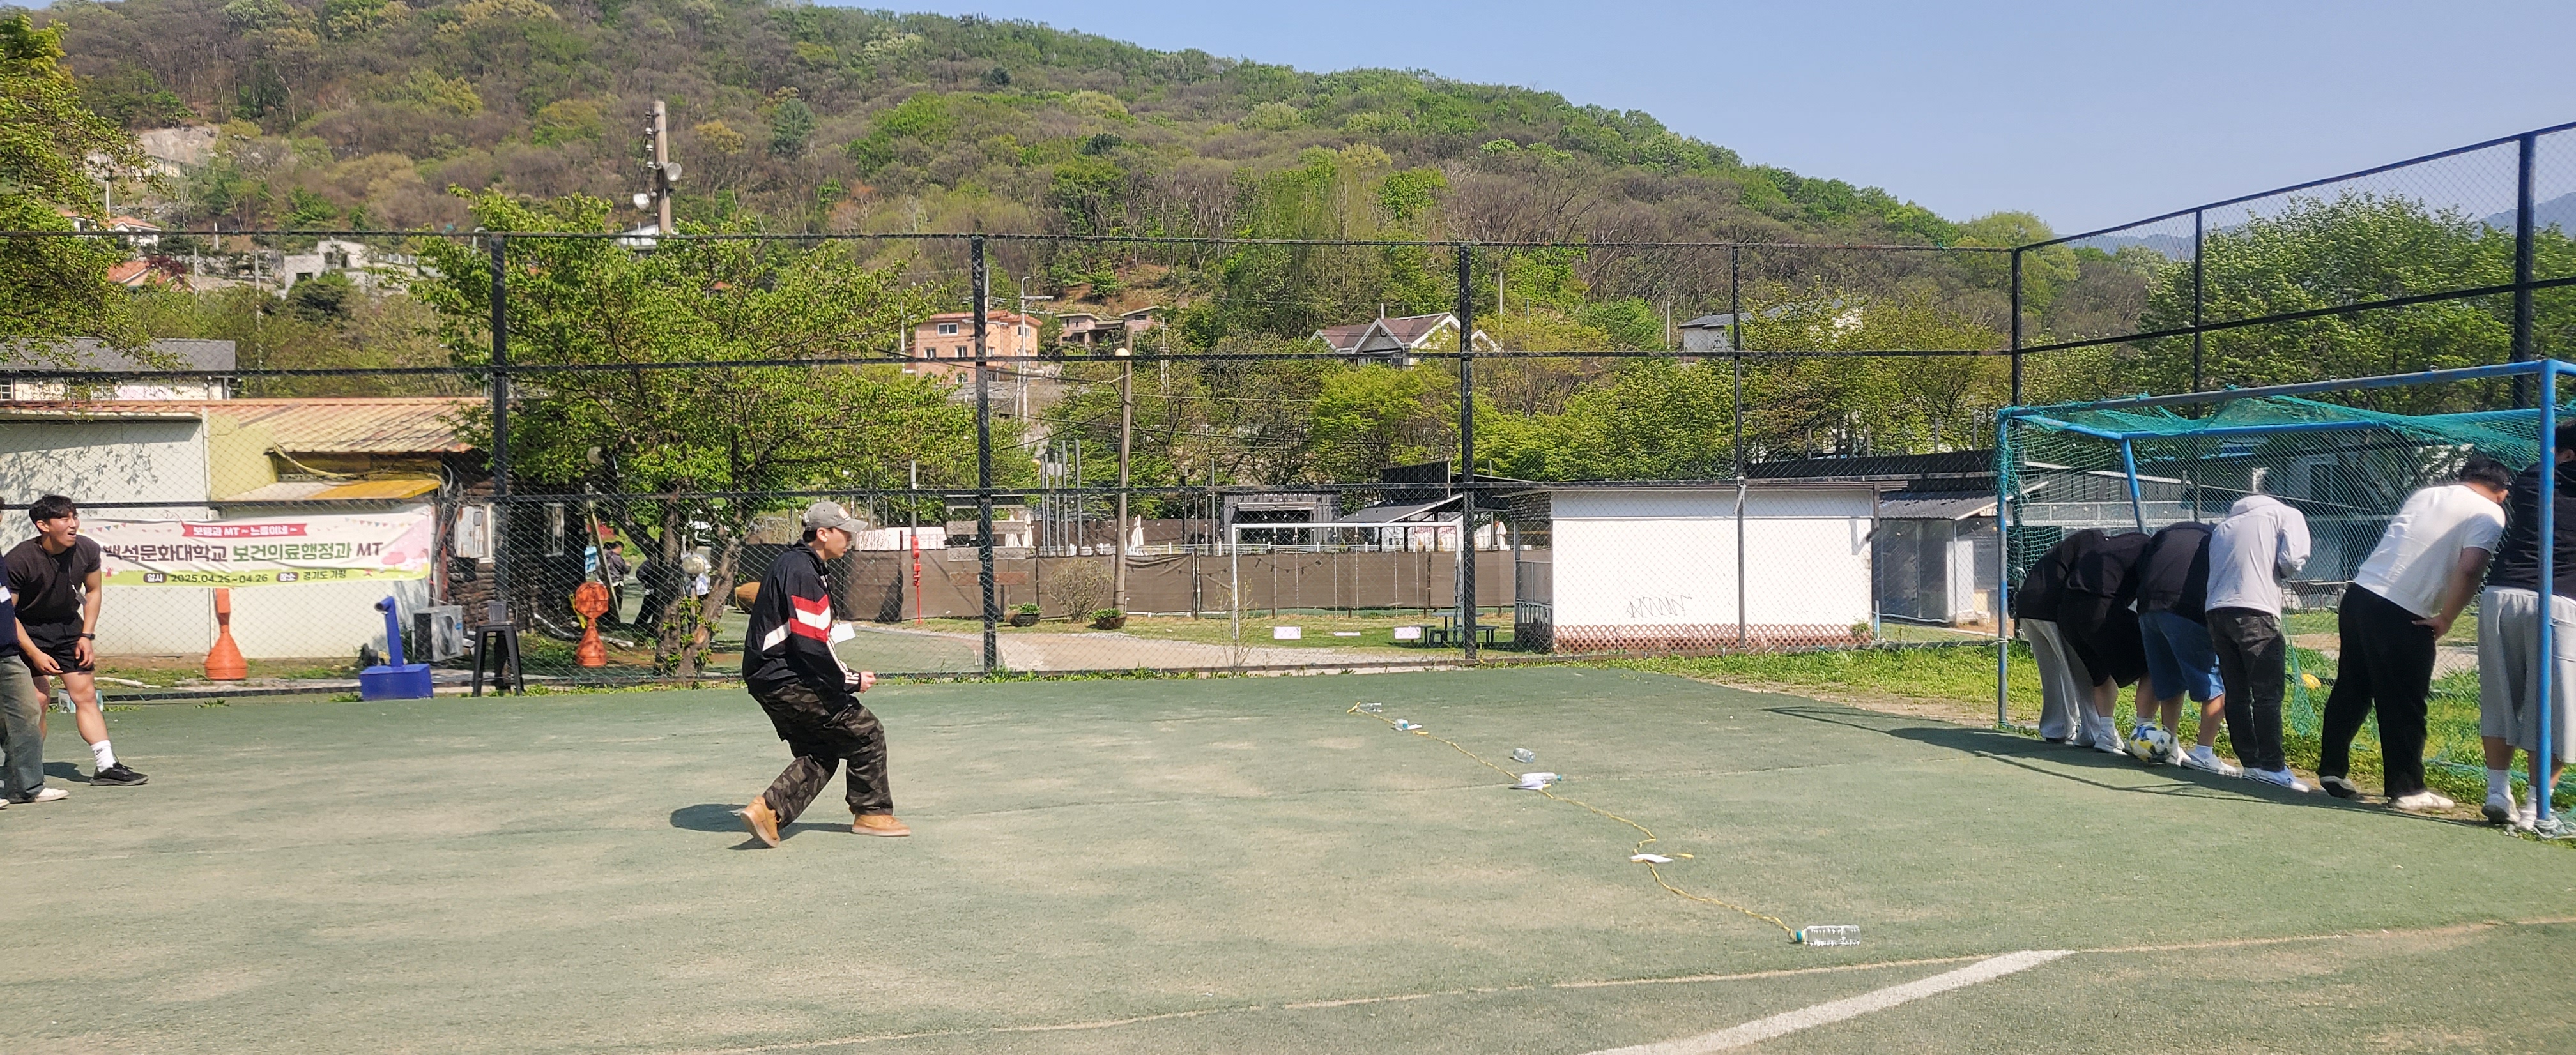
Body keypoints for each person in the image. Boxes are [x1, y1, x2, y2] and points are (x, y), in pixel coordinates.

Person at [2320, 456, 2510, 811]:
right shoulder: (2489, 511)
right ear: (2502, 492)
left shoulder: (2426, 495)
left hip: (2360, 593)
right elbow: (2471, 568)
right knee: (2405, 701)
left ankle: (2332, 768)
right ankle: (2407, 789)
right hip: (2404, 609)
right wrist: (2447, 618)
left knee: (2352, 685)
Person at [736, 501, 903, 847]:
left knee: (823, 748)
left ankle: (768, 811)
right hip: (785, 678)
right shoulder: (803, 569)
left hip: (771, 677)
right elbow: (810, 643)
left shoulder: (795, 564)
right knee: (867, 732)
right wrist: (849, 679)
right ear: (822, 534)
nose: (851, 539)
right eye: (845, 533)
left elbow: (807, 640)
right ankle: (872, 814)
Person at [4, 496, 144, 786]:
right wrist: (34, 653)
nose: (73, 525)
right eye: (64, 519)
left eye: (75, 517)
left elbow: (92, 592)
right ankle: (24, 771)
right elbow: (8, 613)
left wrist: (87, 636)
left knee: (85, 695)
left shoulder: (88, 549)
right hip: (27, 631)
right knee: (38, 701)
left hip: (69, 629)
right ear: (43, 525)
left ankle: (106, 766)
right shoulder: (19, 559)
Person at [2478, 432, 2576, 830]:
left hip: (2503, 594)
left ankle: (2498, 791)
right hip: (2560, 600)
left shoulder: (2535, 477)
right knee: (2553, 708)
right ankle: (2537, 807)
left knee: (2500, 698)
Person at [2205, 489, 2312, 791]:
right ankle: (2273, 766)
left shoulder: (2223, 526)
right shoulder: (2285, 514)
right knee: (2267, 692)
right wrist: (2279, 572)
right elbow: (2293, 557)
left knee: (2237, 692)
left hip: (2216, 611)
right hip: (2256, 609)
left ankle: (2250, 763)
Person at [2131, 519, 2238, 775]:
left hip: (2148, 608)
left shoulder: (2168, 532)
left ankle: (2169, 746)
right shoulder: (2215, 539)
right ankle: (2204, 753)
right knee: (2213, 686)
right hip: (2185, 608)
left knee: (2168, 680)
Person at [2058, 529, 2158, 756]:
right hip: (2101, 607)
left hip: (2068, 611)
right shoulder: (2150, 549)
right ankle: (2143, 735)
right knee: (2155, 662)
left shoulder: (2114, 545)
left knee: (2100, 672)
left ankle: (2106, 734)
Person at [2013, 529, 2105, 744]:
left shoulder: (2066, 546)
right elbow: (2086, 575)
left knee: (2051, 671)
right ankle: (2094, 731)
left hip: (2026, 605)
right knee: (2078, 669)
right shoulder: (2095, 541)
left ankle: (2056, 728)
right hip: (2053, 606)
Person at [2, 572, 65, 806]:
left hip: (7, 653)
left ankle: (24, 788)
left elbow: (6, 608)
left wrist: (33, 652)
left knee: (28, 712)